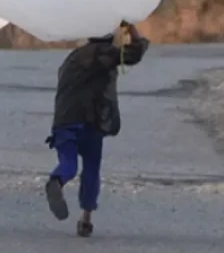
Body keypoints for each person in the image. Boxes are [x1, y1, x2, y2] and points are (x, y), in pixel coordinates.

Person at [44, 21, 149, 237]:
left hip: (64, 121)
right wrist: (132, 30)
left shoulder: (73, 57)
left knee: (68, 164)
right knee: (91, 169)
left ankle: (57, 180)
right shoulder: (103, 54)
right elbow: (134, 54)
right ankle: (86, 219)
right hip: (90, 122)